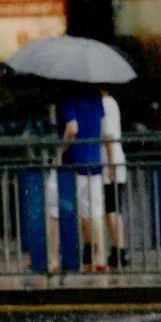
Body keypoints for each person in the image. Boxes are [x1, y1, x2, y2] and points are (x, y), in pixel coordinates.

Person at [46, 89, 108, 273]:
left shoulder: (68, 97)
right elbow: (103, 129)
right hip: (94, 163)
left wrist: (59, 150)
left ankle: (54, 260)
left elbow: (72, 129)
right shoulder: (96, 96)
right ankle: (99, 258)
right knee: (94, 213)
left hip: (71, 164)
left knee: (55, 211)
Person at [100, 90, 129, 270]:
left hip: (110, 162)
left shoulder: (106, 105)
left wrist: (110, 165)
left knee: (111, 209)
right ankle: (118, 249)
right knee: (113, 208)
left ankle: (119, 250)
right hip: (114, 161)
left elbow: (108, 136)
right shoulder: (112, 103)